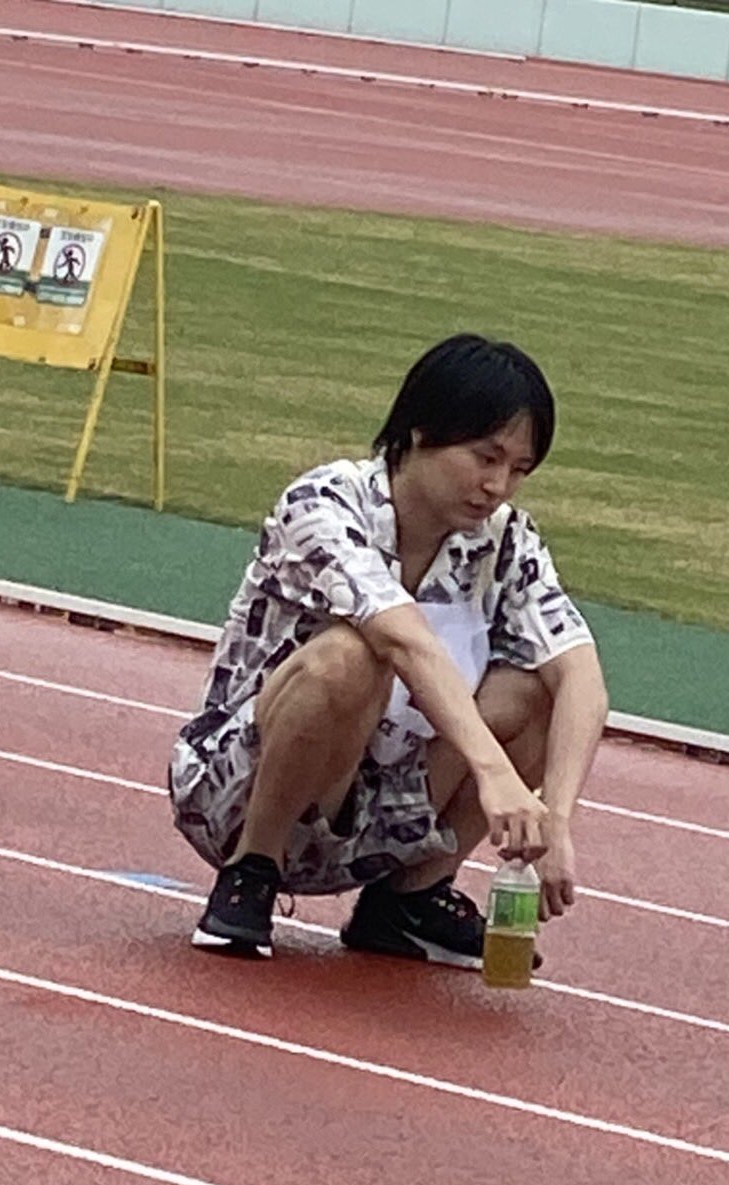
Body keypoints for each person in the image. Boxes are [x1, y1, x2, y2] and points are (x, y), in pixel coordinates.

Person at [168, 333, 608, 966]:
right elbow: (403, 640)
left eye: (519, 470)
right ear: (421, 431)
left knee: (536, 688)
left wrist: (556, 816)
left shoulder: (504, 540)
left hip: (382, 812)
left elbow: (581, 675)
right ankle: (252, 871)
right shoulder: (324, 504)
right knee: (350, 657)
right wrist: (495, 774)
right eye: (485, 457)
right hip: (236, 793)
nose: (497, 486)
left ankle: (410, 899)